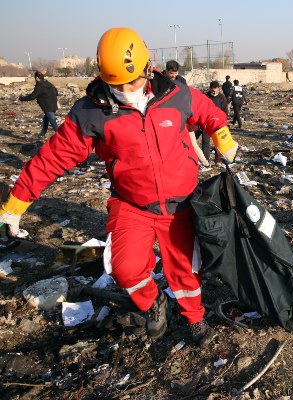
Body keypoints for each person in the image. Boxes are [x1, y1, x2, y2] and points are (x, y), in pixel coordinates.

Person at [0, 27, 238, 343]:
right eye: (117, 84)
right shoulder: (90, 112)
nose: (126, 88)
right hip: (132, 205)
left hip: (180, 204)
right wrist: (16, 204)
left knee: (185, 270)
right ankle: (153, 303)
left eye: (133, 81)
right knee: (124, 268)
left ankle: (194, 318)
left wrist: (223, 137)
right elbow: (52, 158)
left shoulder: (177, 94)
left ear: (148, 67)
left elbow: (210, 112)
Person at [19, 70, 59, 138]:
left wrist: (21, 98)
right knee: (46, 119)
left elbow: (32, 97)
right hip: (53, 104)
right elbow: (56, 92)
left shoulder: (39, 86)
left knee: (53, 121)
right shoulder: (48, 83)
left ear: (37, 78)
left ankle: (61, 136)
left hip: (47, 106)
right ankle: (42, 134)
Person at [200, 81, 229, 167]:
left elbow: (225, 111)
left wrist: (223, 122)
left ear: (218, 89)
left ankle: (217, 160)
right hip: (207, 123)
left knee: (218, 142)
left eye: (216, 90)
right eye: (212, 90)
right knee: (205, 141)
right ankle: (206, 161)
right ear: (210, 89)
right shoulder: (206, 96)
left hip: (217, 124)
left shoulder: (222, 98)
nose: (214, 92)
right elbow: (201, 109)